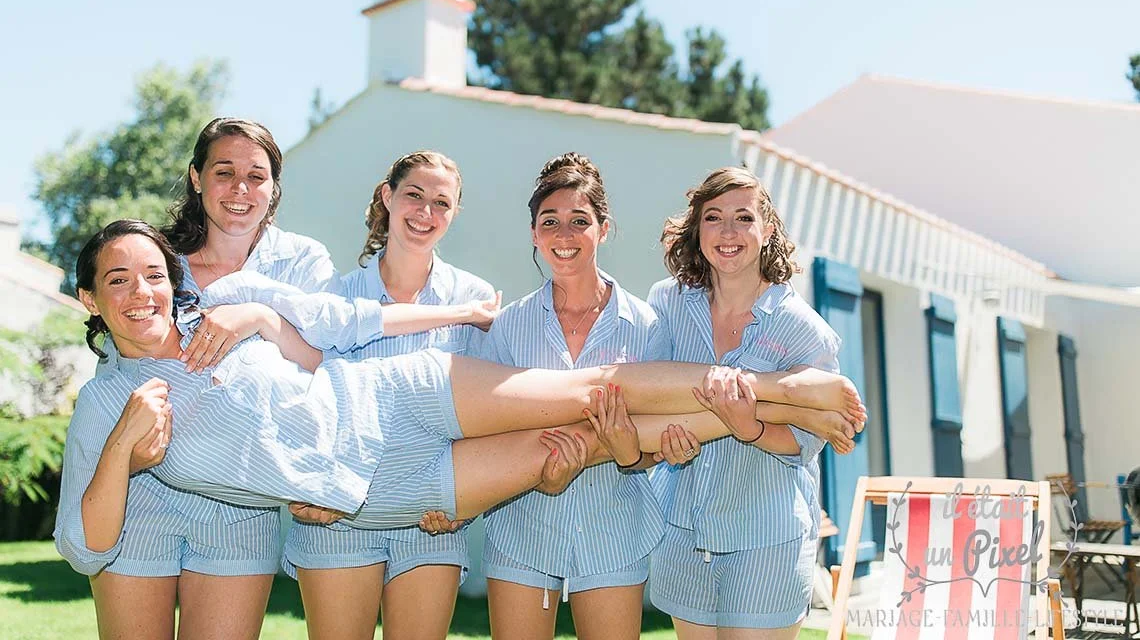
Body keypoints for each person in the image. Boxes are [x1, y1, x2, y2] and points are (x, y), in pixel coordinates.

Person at [56, 221, 865, 610]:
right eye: (117, 281)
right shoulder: (105, 403)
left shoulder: (228, 305)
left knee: (591, 386)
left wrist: (263, 322)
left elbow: (338, 335)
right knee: (580, 442)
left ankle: (787, 389)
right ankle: (780, 399)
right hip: (377, 489)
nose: (142, 293)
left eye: (152, 274)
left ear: (174, 279)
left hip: (392, 393)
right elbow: (86, 549)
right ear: (90, 299)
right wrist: (127, 443)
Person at [59, 117, 342, 640]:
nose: (240, 189)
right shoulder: (156, 259)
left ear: (274, 187)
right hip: (141, 492)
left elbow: (331, 370)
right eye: (223, 171)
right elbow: (120, 361)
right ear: (195, 177)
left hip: (238, 499)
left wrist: (261, 318)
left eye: (256, 176)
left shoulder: (303, 262)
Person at [286, 151, 500, 640]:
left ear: (454, 214)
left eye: (441, 203)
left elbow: (492, 415)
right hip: (339, 518)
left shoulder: (476, 301)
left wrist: (467, 502)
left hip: (430, 519)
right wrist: (308, 489)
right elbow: (305, 405)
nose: (426, 212)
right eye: (414, 196)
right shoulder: (336, 299)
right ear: (388, 197)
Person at [647, 167, 855, 639]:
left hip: (768, 538)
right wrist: (667, 445)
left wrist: (752, 428)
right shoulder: (669, 303)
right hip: (683, 532)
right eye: (713, 217)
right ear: (695, 229)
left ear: (768, 230)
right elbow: (652, 400)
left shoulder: (803, 329)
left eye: (743, 218)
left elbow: (810, 439)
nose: (727, 232)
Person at [475, 153, 668, 639]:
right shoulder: (507, 328)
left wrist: (629, 455)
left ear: (604, 228)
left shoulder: (647, 328)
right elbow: (487, 431)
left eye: (579, 221)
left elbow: (657, 442)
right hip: (522, 531)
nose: (564, 236)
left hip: (615, 538)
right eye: (550, 222)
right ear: (534, 234)